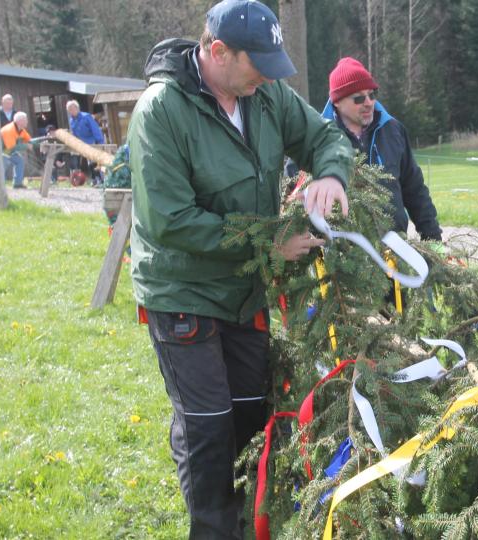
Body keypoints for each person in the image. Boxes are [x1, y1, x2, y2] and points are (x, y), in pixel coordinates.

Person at [127, 0, 353, 537]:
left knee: (252, 414)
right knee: (209, 427)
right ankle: (213, 529)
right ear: (218, 51)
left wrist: (332, 175)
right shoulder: (161, 110)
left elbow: (323, 136)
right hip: (182, 291)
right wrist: (271, 244)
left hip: (244, 290)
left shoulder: (266, 93)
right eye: (259, 65)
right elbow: (171, 221)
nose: (268, 78)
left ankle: (255, 517)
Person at [322, 57, 441, 241]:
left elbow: (415, 189)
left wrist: (433, 238)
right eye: (359, 98)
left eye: (372, 94)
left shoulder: (394, 130)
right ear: (337, 102)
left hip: (395, 249)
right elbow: (295, 194)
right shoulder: (318, 137)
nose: (369, 102)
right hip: (341, 255)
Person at [66, 100, 105, 184]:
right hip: (83, 145)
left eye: (71, 109)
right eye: (69, 110)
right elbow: (74, 133)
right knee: (89, 163)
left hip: (92, 142)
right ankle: (94, 179)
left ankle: (100, 180)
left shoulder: (86, 116)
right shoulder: (71, 120)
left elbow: (95, 129)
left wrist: (100, 142)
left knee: (95, 162)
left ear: (77, 108)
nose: (70, 111)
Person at [0, 111, 32, 189]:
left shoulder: (21, 130)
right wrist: (26, 146)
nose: (27, 121)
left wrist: (38, 143)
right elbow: (11, 147)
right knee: (0, 169)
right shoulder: (9, 130)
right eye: (25, 120)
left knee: (19, 161)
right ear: (20, 121)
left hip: (7, 151)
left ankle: (17, 184)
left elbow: (29, 140)